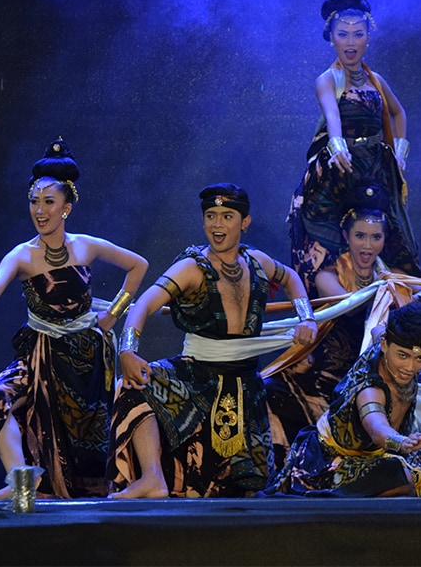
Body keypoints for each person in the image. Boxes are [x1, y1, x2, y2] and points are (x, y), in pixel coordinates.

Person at [0, 138, 148, 499]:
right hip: (40, 352)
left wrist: (113, 315)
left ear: (66, 208)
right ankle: (20, 481)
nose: (39, 210)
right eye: (34, 201)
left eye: (48, 202)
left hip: (83, 357)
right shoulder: (22, 255)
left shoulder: (85, 246)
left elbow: (139, 265)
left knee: (74, 447)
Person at [107, 183, 319, 498]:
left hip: (245, 384)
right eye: (211, 216)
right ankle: (152, 477)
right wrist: (127, 350)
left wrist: (307, 317)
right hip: (196, 377)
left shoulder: (257, 261)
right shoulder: (191, 267)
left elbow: (290, 277)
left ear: (245, 222)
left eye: (227, 216)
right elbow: (145, 304)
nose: (217, 224)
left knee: (243, 489)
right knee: (129, 387)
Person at [267, 183, 421, 462]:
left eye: (376, 237)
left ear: (384, 239)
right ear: (346, 236)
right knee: (272, 390)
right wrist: (384, 291)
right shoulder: (328, 275)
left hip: (388, 366)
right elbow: (352, 307)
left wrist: (410, 295)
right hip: (335, 370)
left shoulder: (391, 274)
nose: (368, 245)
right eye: (360, 236)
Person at [287, 0, 420, 295]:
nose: (350, 42)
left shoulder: (376, 80)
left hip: (375, 166)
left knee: (388, 232)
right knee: (327, 236)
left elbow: (398, 113)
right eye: (343, 34)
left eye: (358, 34)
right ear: (331, 37)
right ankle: (340, 298)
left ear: (367, 37)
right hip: (340, 169)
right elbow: (332, 113)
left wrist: (399, 154)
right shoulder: (328, 79)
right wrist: (337, 146)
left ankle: (397, 293)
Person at [268, 302, 421, 497]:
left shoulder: (387, 340)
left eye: (420, 358)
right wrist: (401, 441)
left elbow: (377, 329)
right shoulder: (370, 389)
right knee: (397, 477)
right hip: (332, 460)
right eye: (403, 356)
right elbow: (377, 428)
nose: (410, 367)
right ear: (385, 345)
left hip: (383, 454)